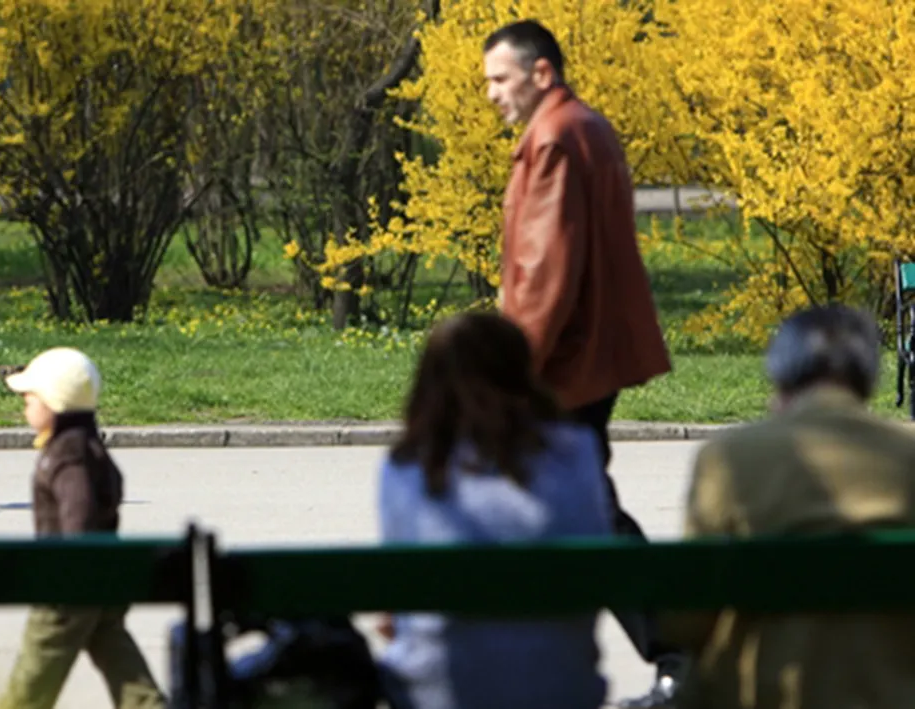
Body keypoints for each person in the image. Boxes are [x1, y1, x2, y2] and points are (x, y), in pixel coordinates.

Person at [481, 19, 682, 707]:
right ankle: (673, 651)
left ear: (541, 73)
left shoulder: (555, 139)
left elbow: (544, 272)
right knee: (571, 507)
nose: (490, 94)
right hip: (587, 358)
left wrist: (513, 373)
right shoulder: (587, 126)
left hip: (560, 368)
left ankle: (680, 650)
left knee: (572, 509)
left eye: (499, 79)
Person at [666, 304, 915, 709]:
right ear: (868, 377)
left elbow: (685, 616)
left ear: (781, 372)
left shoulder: (730, 456)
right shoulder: (907, 458)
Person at [376, 310, 613, 709]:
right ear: (522, 373)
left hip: (439, 695)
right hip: (563, 691)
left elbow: (394, 612)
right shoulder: (577, 453)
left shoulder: (407, 469)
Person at [0, 347, 166, 709]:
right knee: (115, 652)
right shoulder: (83, 445)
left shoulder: (68, 455)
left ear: (53, 404)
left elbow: (79, 515)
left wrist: (69, 570)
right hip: (101, 579)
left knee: (40, 660)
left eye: (30, 397)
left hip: (69, 585)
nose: (24, 404)